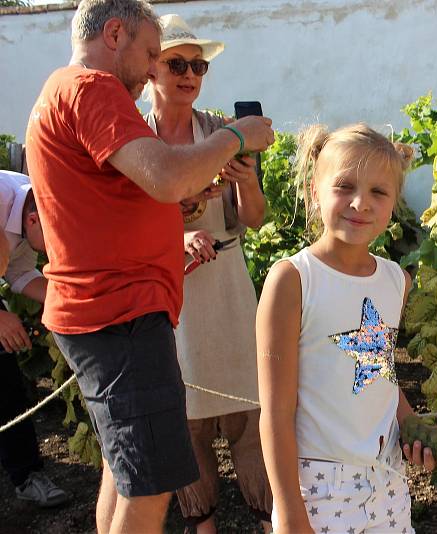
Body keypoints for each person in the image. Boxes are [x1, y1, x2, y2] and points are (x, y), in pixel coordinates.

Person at [23, 0, 274, 532]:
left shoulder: (64, 91)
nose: (154, 69)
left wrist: (173, 210)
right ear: (114, 33)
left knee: (126, 471)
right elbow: (164, 176)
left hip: (108, 315)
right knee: (152, 484)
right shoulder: (92, 87)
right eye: (154, 56)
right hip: (122, 316)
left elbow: (127, 197)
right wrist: (238, 135)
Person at [256, 123, 437, 534]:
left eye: (378, 192)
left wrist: (416, 427)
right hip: (316, 490)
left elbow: (379, 374)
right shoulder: (293, 280)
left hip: (387, 484)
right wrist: (290, 513)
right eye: (344, 186)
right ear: (315, 190)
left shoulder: (395, 280)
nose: (360, 203)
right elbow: (275, 413)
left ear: (394, 202)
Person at [142, 14, 271, 533]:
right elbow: (124, 222)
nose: (190, 74)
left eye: (198, 65)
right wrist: (175, 234)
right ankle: (204, 524)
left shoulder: (222, 131)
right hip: (170, 287)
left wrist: (245, 182)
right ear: (151, 69)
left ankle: (268, 519)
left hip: (225, 281)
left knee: (249, 409)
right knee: (188, 416)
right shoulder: (135, 139)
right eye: (177, 63)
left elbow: (256, 218)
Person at [0, 169, 69, 508]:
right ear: (31, 220)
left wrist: (70, 302)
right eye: (54, 241)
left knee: (6, 380)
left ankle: (27, 476)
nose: (52, 253)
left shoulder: (33, 209)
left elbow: (20, 272)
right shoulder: (1, 197)